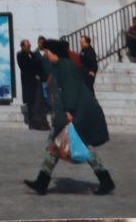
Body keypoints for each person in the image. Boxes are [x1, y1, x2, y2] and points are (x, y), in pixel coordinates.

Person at [24, 38, 114, 196]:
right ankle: (42, 182)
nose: (46, 54)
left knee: (80, 146)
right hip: (72, 111)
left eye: (47, 51)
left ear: (54, 52)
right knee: (55, 146)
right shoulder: (59, 65)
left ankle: (105, 180)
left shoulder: (66, 66)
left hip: (78, 111)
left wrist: (69, 111)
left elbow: (70, 89)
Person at [16, 39, 48, 130]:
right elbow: (25, 67)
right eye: (27, 46)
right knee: (31, 103)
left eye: (29, 45)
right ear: (22, 46)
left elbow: (38, 65)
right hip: (29, 83)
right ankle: (33, 123)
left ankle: (41, 122)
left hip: (36, 82)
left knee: (38, 103)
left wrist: (39, 75)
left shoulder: (33, 55)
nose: (29, 47)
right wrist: (34, 73)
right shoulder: (20, 55)